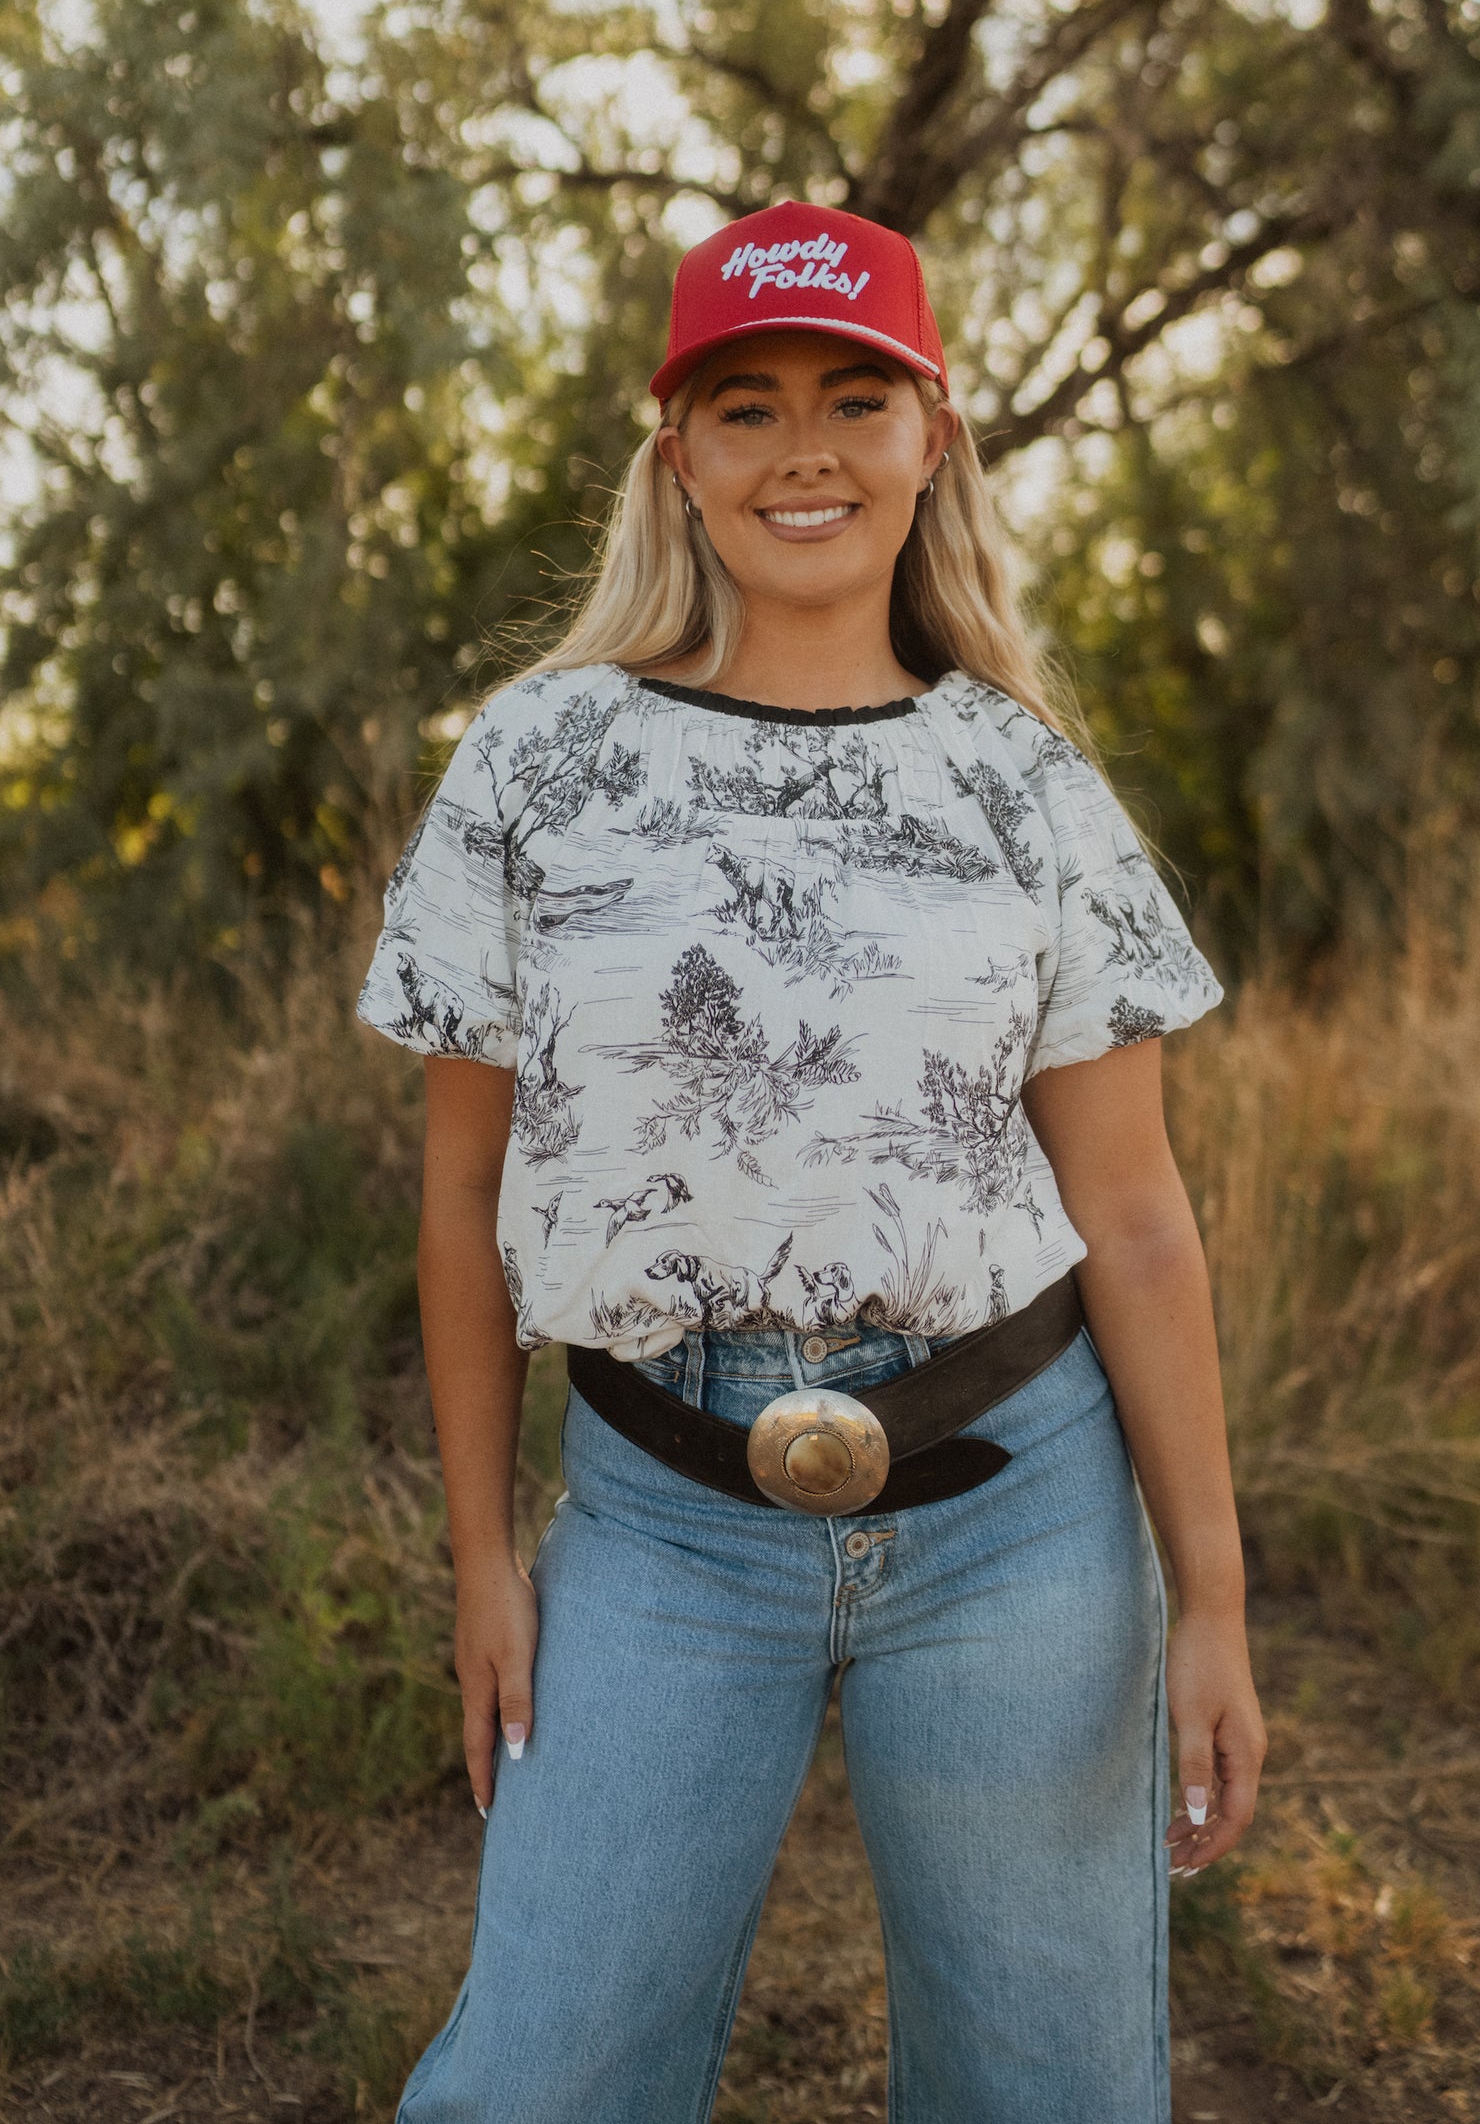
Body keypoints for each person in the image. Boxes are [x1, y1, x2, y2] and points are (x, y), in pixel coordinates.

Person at [358, 199, 1266, 2123]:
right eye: (748, 406)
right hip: (659, 1514)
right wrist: (479, 1556)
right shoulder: (537, 764)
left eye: (857, 399)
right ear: (675, 455)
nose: (806, 453)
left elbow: (1132, 1215)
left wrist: (1211, 1595)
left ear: (932, 438)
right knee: (533, 2080)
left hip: (1019, 1513)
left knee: (1050, 2093)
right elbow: (461, 1197)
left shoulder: (1026, 786)